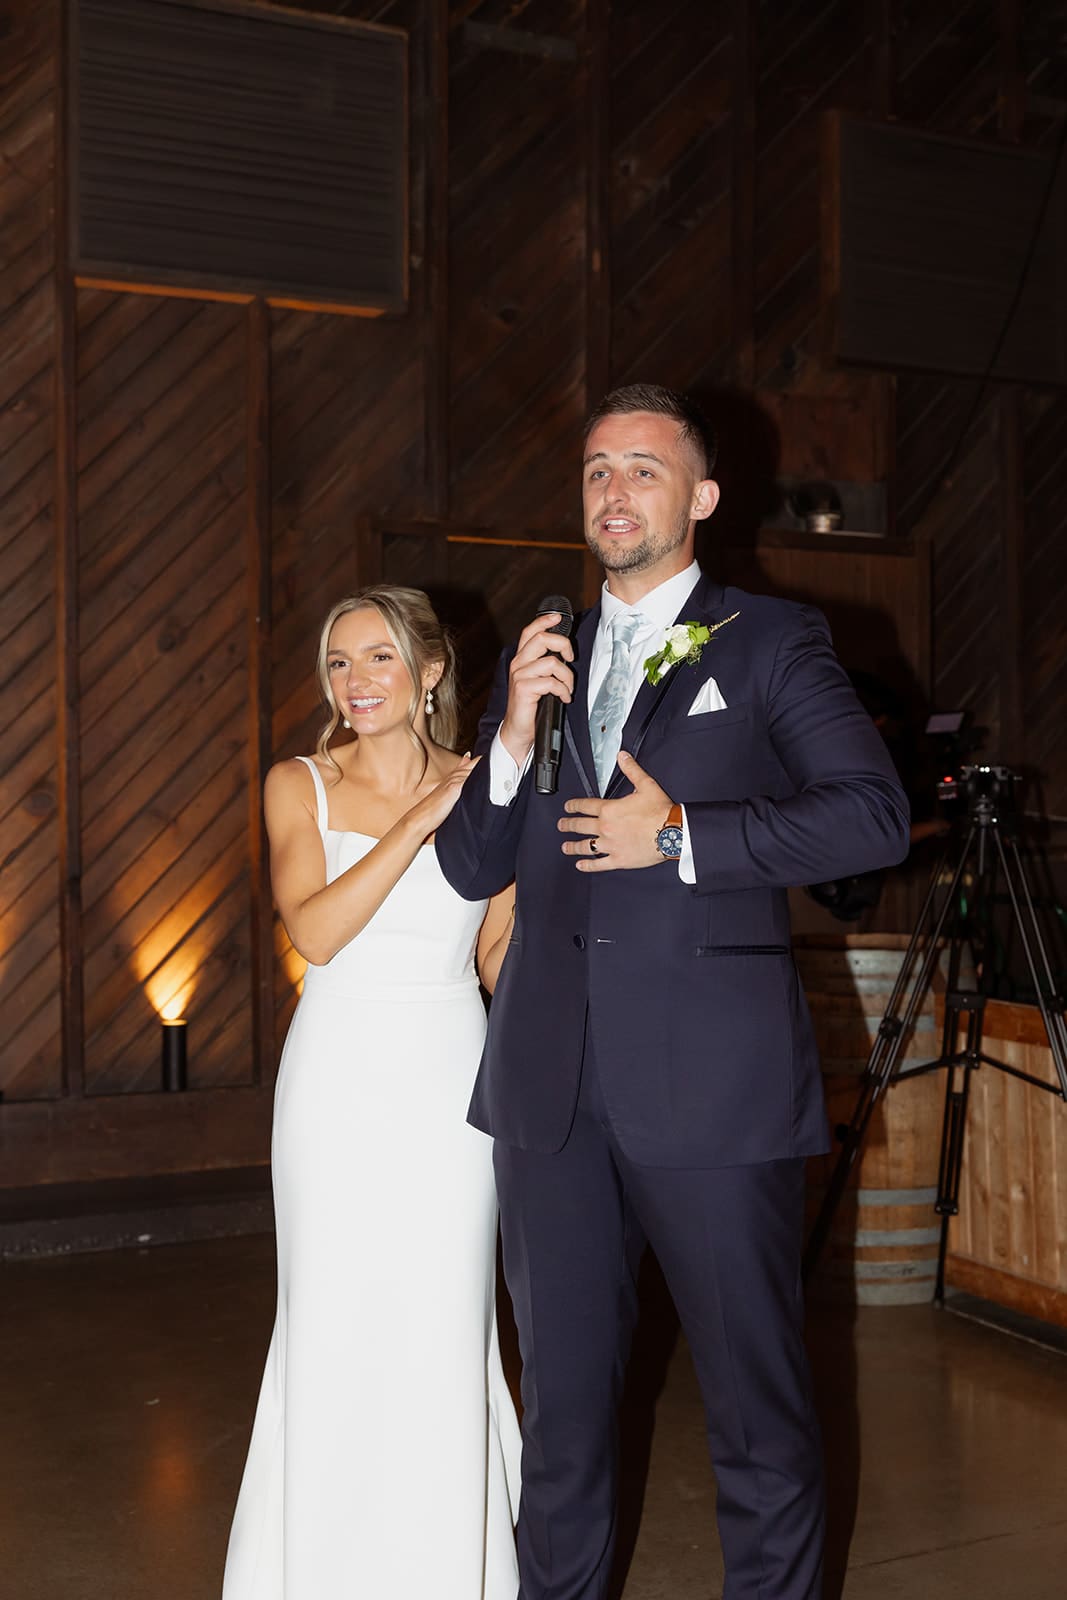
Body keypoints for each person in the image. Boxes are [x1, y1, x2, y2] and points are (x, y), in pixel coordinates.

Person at [435, 384, 911, 1600]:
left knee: (756, 1419)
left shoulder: (769, 639)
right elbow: (471, 864)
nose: (613, 491)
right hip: (549, 1093)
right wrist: (504, 739)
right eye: (596, 469)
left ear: (698, 498)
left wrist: (685, 835)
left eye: (642, 470)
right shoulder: (541, 650)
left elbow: (870, 816)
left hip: (712, 1089)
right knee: (563, 1427)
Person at [223, 585, 520, 1600]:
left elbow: (494, 953)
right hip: (337, 1079)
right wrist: (419, 822)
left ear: (431, 670)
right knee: (334, 1320)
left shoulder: (489, 786)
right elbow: (314, 932)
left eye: (379, 658)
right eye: (339, 664)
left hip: (448, 1079)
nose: (355, 683)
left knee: (442, 1321)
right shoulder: (296, 783)